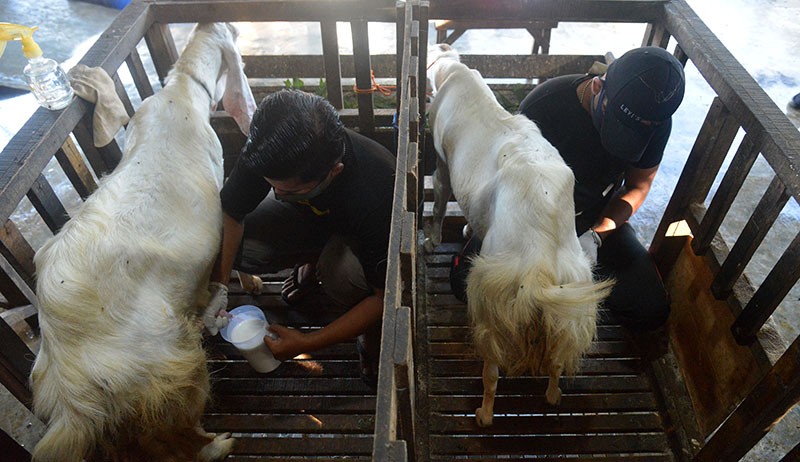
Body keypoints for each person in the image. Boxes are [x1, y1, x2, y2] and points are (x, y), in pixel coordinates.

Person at [452, 46, 685, 332]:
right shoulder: (545, 106)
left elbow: (638, 185)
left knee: (650, 309)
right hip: (530, 220)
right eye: (616, 124)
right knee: (465, 285)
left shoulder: (655, 121)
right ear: (598, 87)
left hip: (591, 221)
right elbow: (505, 180)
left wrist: (597, 236)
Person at [208, 90, 395, 387]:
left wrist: (307, 341)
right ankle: (311, 259)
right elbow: (232, 212)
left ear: (335, 171)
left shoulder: (376, 193)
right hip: (318, 220)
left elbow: (383, 296)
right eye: (273, 187)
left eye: (291, 192)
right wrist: (219, 286)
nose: (278, 197)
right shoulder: (270, 150)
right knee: (237, 241)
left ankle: (369, 337)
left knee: (340, 274)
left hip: (359, 237)